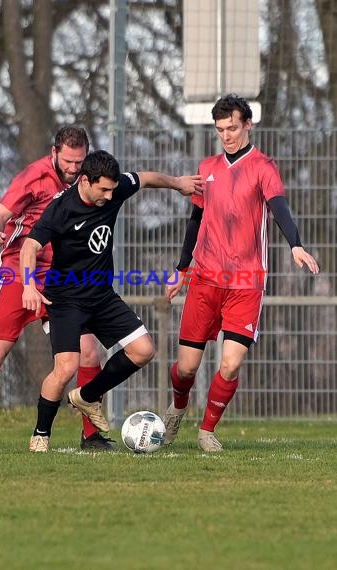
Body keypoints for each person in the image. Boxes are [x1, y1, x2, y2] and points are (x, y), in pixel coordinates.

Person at [163, 94, 319, 452]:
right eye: (220, 130)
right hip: (204, 278)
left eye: (232, 128)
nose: (226, 135)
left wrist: (295, 243)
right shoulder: (207, 167)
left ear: (248, 124)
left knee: (230, 364)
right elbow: (195, 221)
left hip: (246, 283)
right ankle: (178, 407)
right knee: (186, 369)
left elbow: (279, 207)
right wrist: (180, 270)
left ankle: (206, 431)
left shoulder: (264, 166)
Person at [20, 149, 203, 452]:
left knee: (144, 350)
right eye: (103, 188)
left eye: (112, 188)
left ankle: (87, 396)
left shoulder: (115, 189)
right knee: (66, 367)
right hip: (64, 299)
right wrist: (28, 285)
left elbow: (145, 178)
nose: (109, 194)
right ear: (84, 181)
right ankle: (41, 434)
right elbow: (30, 247)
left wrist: (178, 183)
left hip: (101, 296)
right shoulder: (61, 208)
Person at [0, 126, 113, 452]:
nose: (74, 168)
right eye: (68, 161)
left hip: (62, 279)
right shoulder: (33, 177)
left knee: (90, 351)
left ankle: (90, 435)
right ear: (54, 153)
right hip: (17, 272)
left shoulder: (88, 181)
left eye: (79, 161)